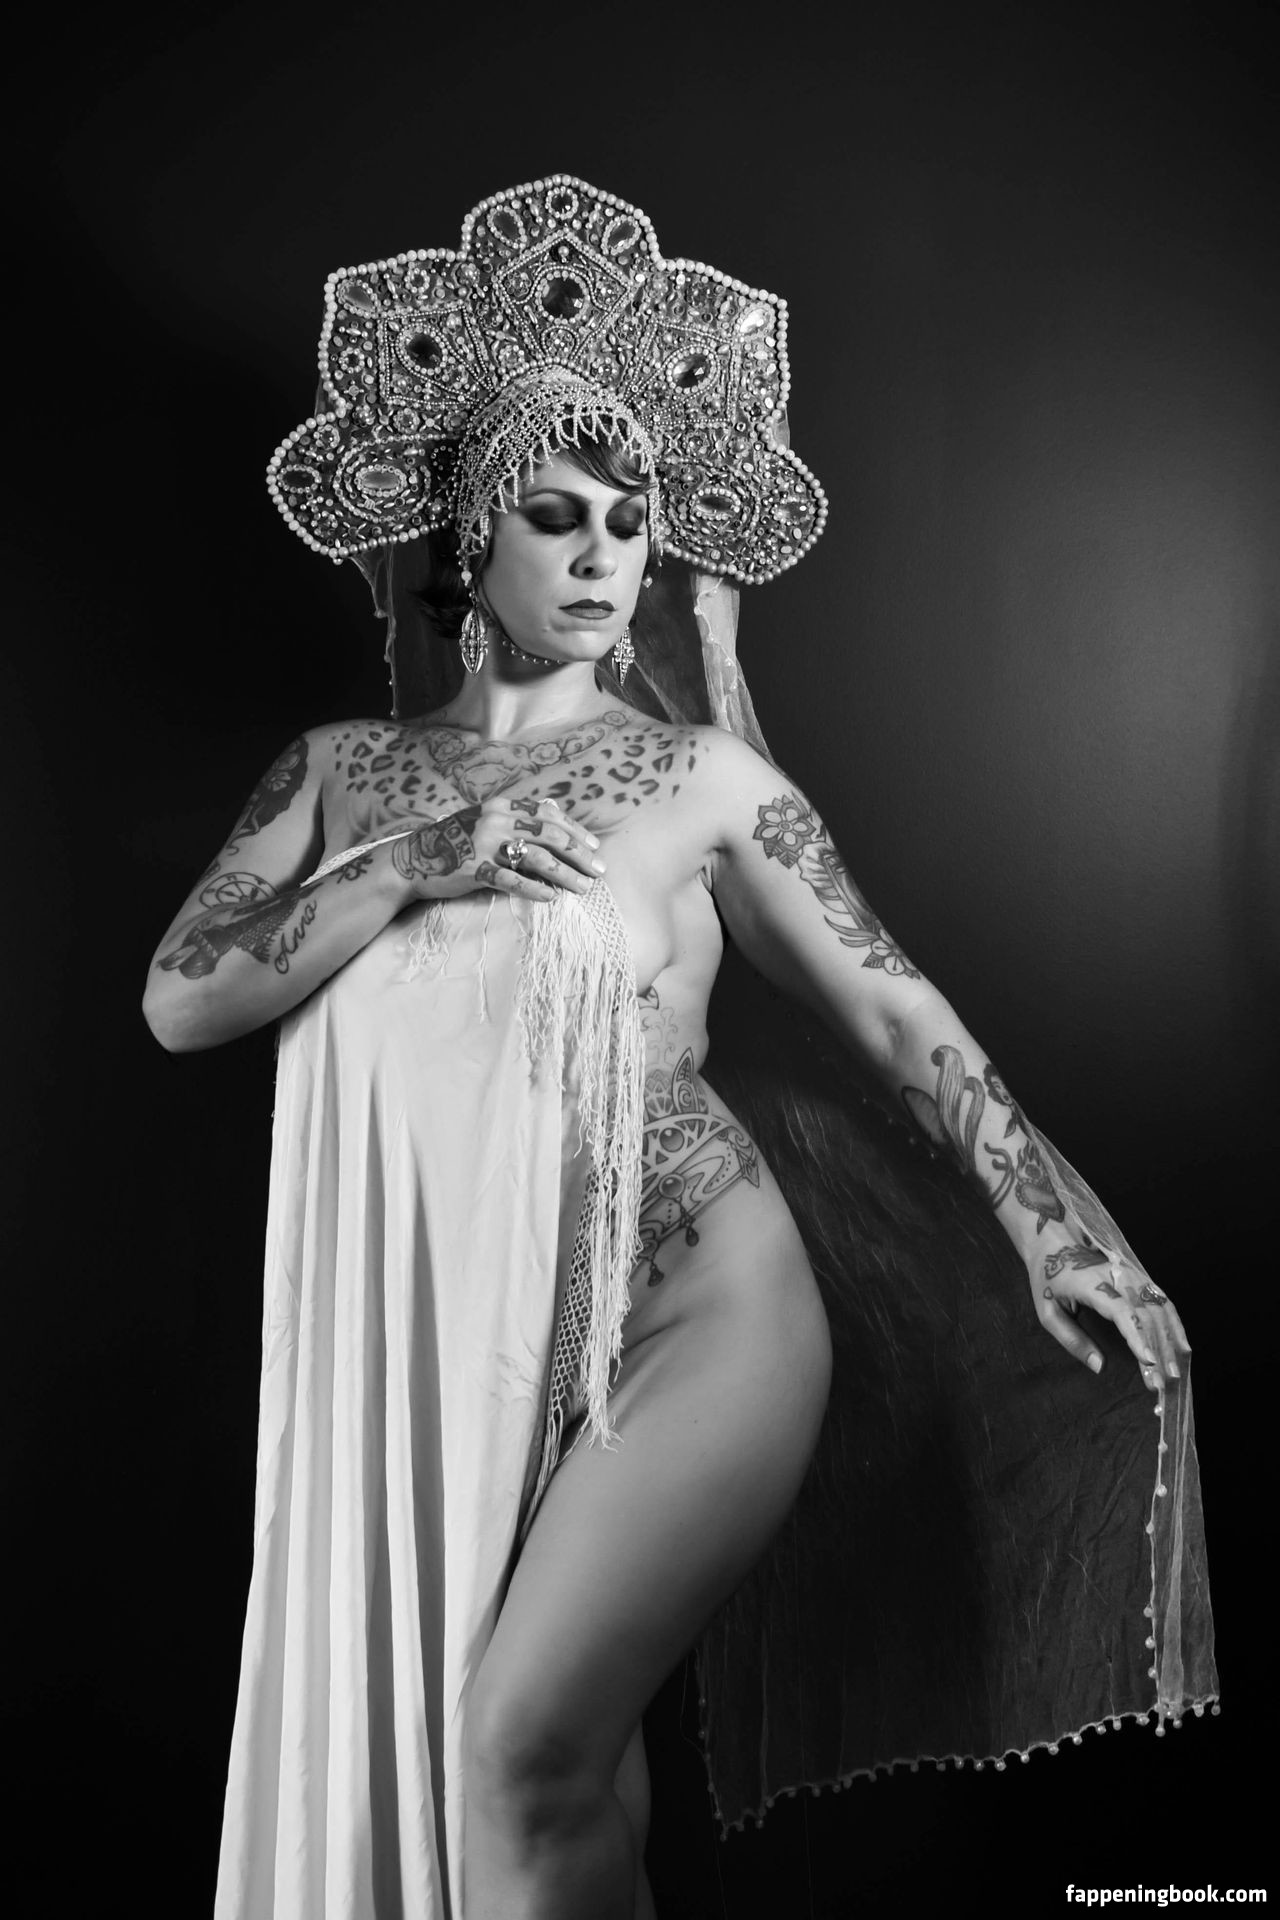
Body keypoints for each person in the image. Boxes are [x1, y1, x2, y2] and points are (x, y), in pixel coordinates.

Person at [143, 177, 1216, 1920]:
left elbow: (892, 1004)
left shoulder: (702, 780)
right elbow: (186, 993)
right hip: (455, 1347)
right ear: (465, 537)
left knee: (514, 1759)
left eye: (631, 524)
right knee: (545, 1793)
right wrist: (420, 861)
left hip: (692, 1315)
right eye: (555, 516)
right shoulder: (337, 773)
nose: (601, 557)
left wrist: (1048, 1225)